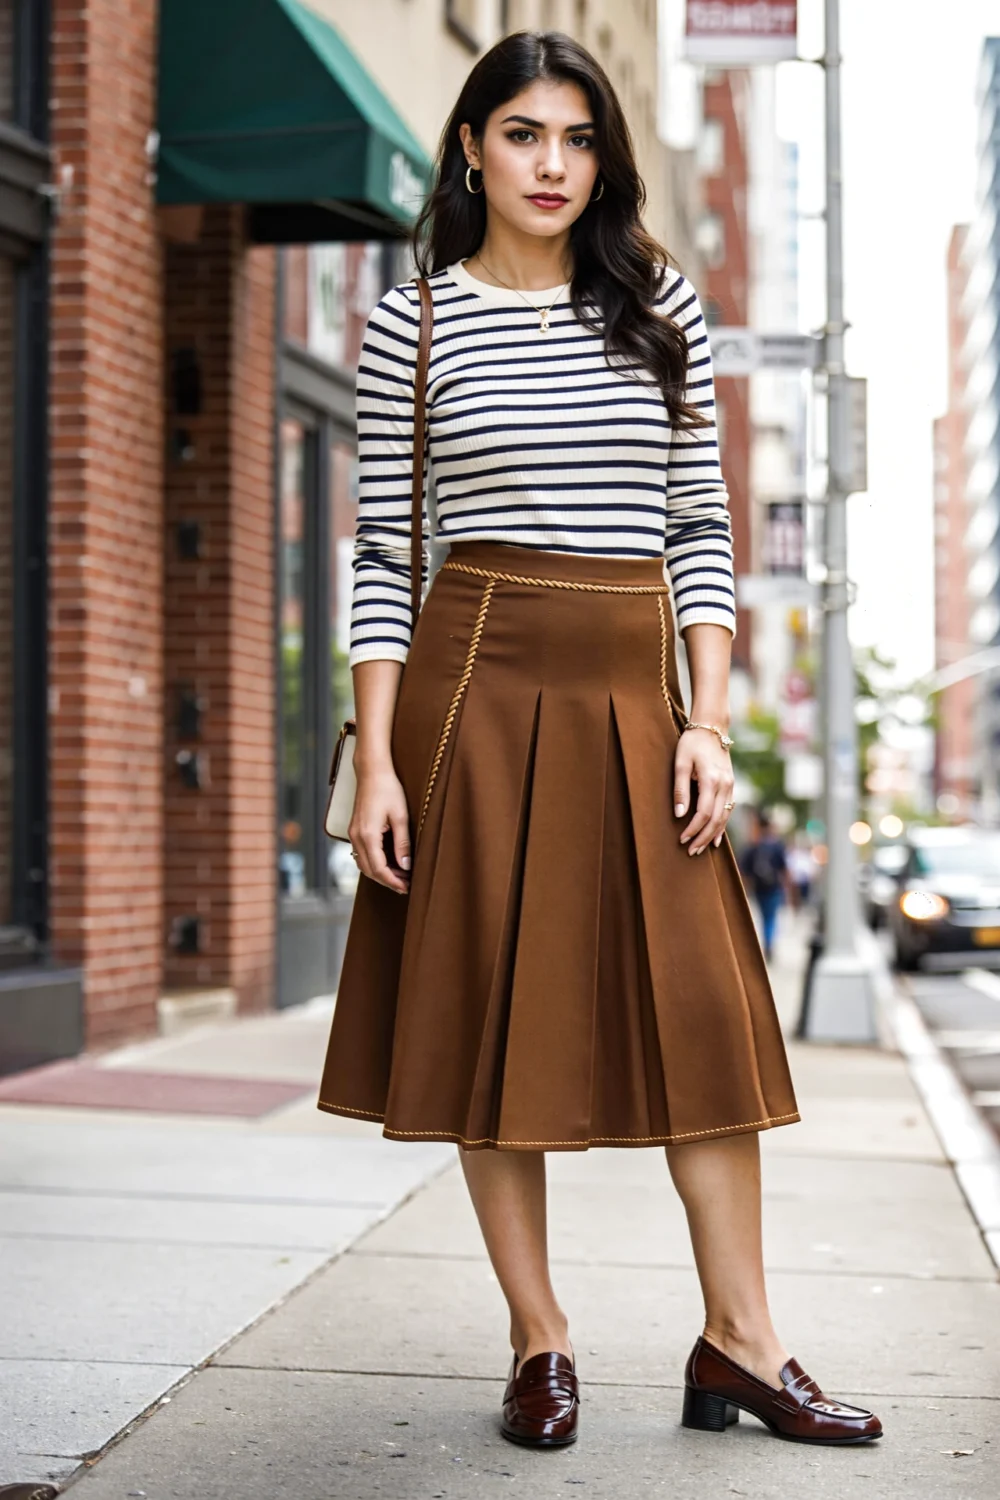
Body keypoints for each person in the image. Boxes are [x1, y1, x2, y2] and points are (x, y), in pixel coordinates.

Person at [318, 30, 880, 1451]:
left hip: (640, 690)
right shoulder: (412, 323)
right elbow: (383, 553)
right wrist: (375, 758)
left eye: (576, 139)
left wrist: (709, 719)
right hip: (473, 685)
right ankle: (539, 1337)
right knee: (487, 1014)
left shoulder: (657, 305)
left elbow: (700, 525)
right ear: (472, 148)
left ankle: (743, 1342)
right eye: (522, 134)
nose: (551, 164)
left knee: (702, 1018)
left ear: (603, 159)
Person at [739, 812, 789, 961]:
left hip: (759, 888)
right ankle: (769, 943)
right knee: (771, 918)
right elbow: (784, 869)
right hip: (774, 887)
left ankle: (767, 942)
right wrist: (788, 889)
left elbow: (744, 871)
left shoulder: (753, 846)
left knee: (764, 917)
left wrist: (745, 891)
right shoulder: (777, 846)